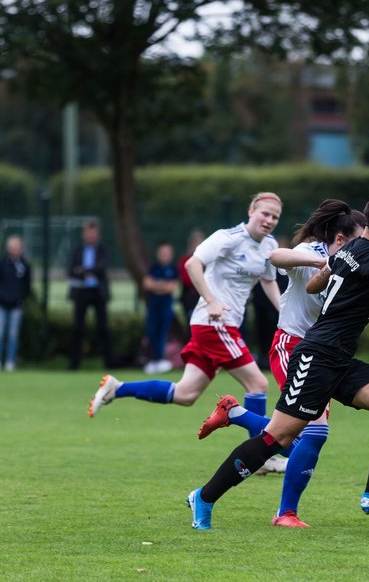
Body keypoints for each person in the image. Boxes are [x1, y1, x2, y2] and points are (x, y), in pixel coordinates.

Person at [184, 195, 369, 530]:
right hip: (315, 357)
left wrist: (340, 282)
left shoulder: (350, 250)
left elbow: (318, 282)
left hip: (339, 358)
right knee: (277, 439)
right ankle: (206, 496)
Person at [88, 193, 282, 450]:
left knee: (186, 394)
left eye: (275, 216)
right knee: (258, 383)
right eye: (264, 213)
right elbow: (192, 264)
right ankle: (261, 457)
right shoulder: (229, 237)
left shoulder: (269, 245)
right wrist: (211, 301)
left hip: (219, 326)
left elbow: (268, 280)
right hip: (214, 324)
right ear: (251, 211)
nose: (269, 219)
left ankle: (117, 388)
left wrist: (284, 311)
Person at [67, 220, 112, 370]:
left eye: (94, 233)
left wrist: (84, 271)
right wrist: (89, 272)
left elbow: (101, 268)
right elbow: (72, 270)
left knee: (103, 328)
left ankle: (108, 363)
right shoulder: (77, 250)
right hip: (81, 291)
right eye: (88, 232)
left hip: (98, 292)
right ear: (83, 234)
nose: (91, 236)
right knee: (78, 328)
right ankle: (74, 364)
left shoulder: (103, 250)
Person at [0, 235, 31, 372]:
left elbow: (26, 286)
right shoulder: (1, 263)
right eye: (13, 247)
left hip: (16, 306)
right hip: (0, 304)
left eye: (17, 247)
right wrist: (0, 295)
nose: (15, 250)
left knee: (13, 335)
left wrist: (20, 298)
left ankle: (10, 362)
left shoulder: (24, 265)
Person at [142, 241, 180, 374]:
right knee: (151, 332)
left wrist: (157, 285)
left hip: (166, 306)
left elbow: (172, 287)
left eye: (167, 253)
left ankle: (160, 359)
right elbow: (147, 284)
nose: (164, 255)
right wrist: (163, 286)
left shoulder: (173, 269)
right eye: (162, 253)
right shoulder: (154, 267)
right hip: (153, 306)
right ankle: (153, 360)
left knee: (163, 333)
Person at [177, 228, 205, 325]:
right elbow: (186, 280)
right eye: (195, 242)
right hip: (190, 297)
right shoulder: (185, 260)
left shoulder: (207, 261)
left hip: (203, 297)